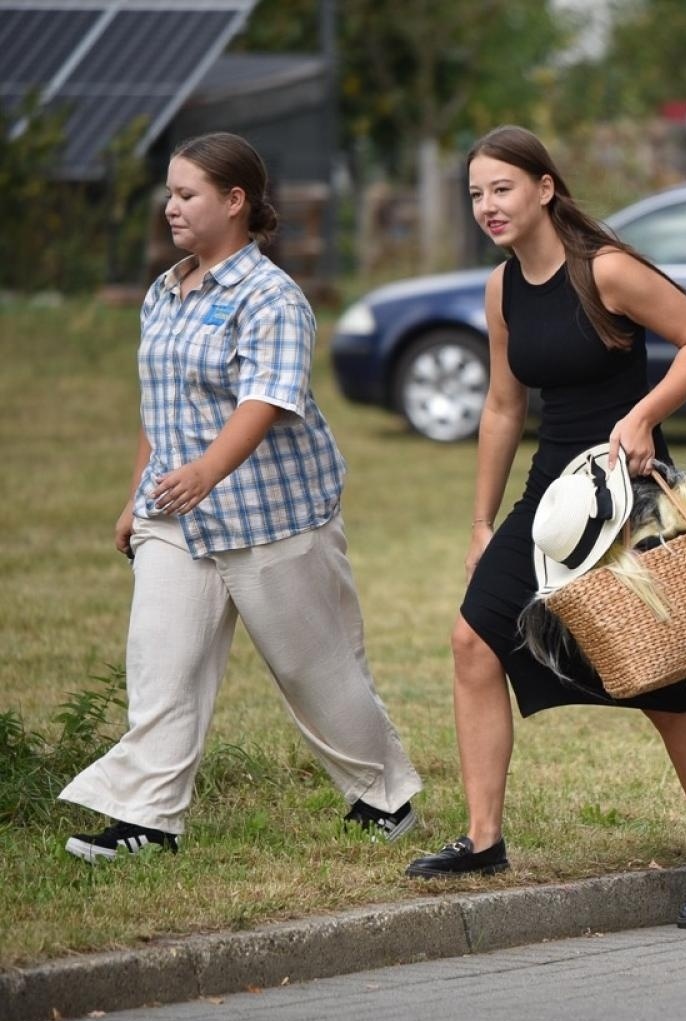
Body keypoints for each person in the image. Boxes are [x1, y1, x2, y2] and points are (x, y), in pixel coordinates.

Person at [402, 126, 686, 930]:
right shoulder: (502, 290)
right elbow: (501, 406)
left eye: (501, 188)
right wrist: (483, 520)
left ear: (544, 188)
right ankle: (484, 838)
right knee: (473, 641)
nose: (488, 205)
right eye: (475, 194)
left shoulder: (607, 271)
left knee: (656, 681)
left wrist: (644, 413)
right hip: (550, 497)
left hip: (627, 499)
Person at [60, 132, 422, 861]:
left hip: (273, 516)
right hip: (177, 517)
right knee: (163, 666)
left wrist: (205, 473)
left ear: (235, 202)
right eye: (169, 193)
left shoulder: (271, 297)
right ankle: (147, 821)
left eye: (187, 194)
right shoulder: (167, 292)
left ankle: (387, 797)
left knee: (312, 671)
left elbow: (265, 399)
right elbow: (156, 406)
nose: (171, 207)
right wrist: (142, 496)